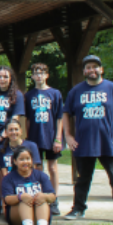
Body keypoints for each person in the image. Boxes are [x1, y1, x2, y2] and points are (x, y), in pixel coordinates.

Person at [62, 55, 113, 224]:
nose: (91, 70)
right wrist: (68, 136)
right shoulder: (76, 91)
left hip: (108, 142)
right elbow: (66, 113)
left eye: (95, 67)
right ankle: (78, 209)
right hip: (84, 143)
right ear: (84, 71)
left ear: (101, 69)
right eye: (88, 67)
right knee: (82, 179)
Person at [24, 62, 64, 215]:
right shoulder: (29, 95)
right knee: (37, 168)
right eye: (36, 73)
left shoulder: (55, 93)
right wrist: (27, 139)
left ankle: (53, 198)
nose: (39, 75)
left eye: (41, 72)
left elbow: (59, 117)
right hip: (35, 137)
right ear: (32, 76)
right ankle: (39, 197)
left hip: (51, 135)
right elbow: (27, 119)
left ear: (47, 75)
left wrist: (58, 138)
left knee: (53, 167)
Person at [1, 147, 57, 225]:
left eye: (28, 158)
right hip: (19, 218)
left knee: (42, 199)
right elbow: (7, 199)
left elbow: (52, 196)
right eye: (21, 159)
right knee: (24, 201)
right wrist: (20, 197)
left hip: (39, 215)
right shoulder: (8, 178)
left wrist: (44, 196)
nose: (25, 162)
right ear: (15, 161)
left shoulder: (41, 175)